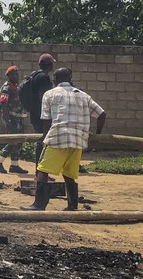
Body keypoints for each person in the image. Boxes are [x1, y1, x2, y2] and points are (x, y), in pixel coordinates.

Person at [22, 68, 106, 211]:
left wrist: (44, 137)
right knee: (69, 174)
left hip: (58, 137)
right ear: (70, 78)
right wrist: (96, 135)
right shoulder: (84, 96)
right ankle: (72, 206)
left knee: (42, 170)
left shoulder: (50, 94)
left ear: (54, 79)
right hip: (78, 140)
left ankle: (39, 205)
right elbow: (102, 114)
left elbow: (47, 120)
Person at [0, 66, 29, 175]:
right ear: (8, 76)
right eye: (13, 74)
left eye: (17, 74)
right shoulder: (6, 87)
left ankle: (14, 165)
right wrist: (7, 121)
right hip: (12, 118)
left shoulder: (16, 87)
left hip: (19, 117)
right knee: (13, 141)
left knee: (19, 141)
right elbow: (3, 104)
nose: (16, 76)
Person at [28, 53, 56, 166]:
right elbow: (44, 97)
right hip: (42, 115)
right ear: (49, 65)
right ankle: (39, 171)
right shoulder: (44, 77)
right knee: (43, 141)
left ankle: (40, 171)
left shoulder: (34, 74)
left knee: (41, 140)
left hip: (34, 113)